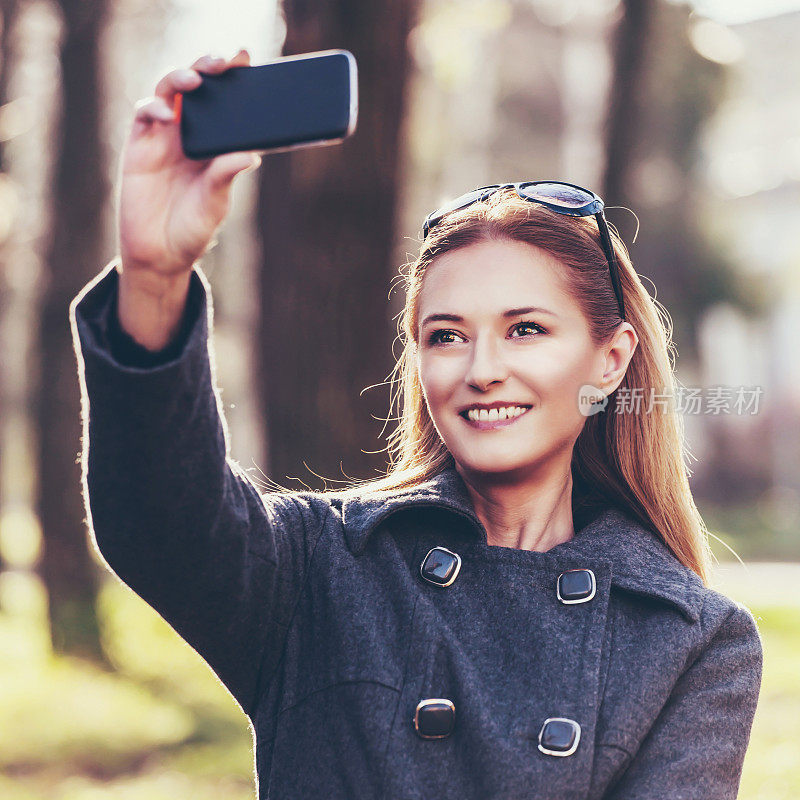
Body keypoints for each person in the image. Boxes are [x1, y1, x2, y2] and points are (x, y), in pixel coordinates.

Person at [70, 49, 762, 799]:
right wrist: (154, 276)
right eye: (446, 335)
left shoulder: (691, 638)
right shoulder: (320, 566)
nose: (481, 368)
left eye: (525, 329)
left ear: (610, 360)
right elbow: (157, 520)